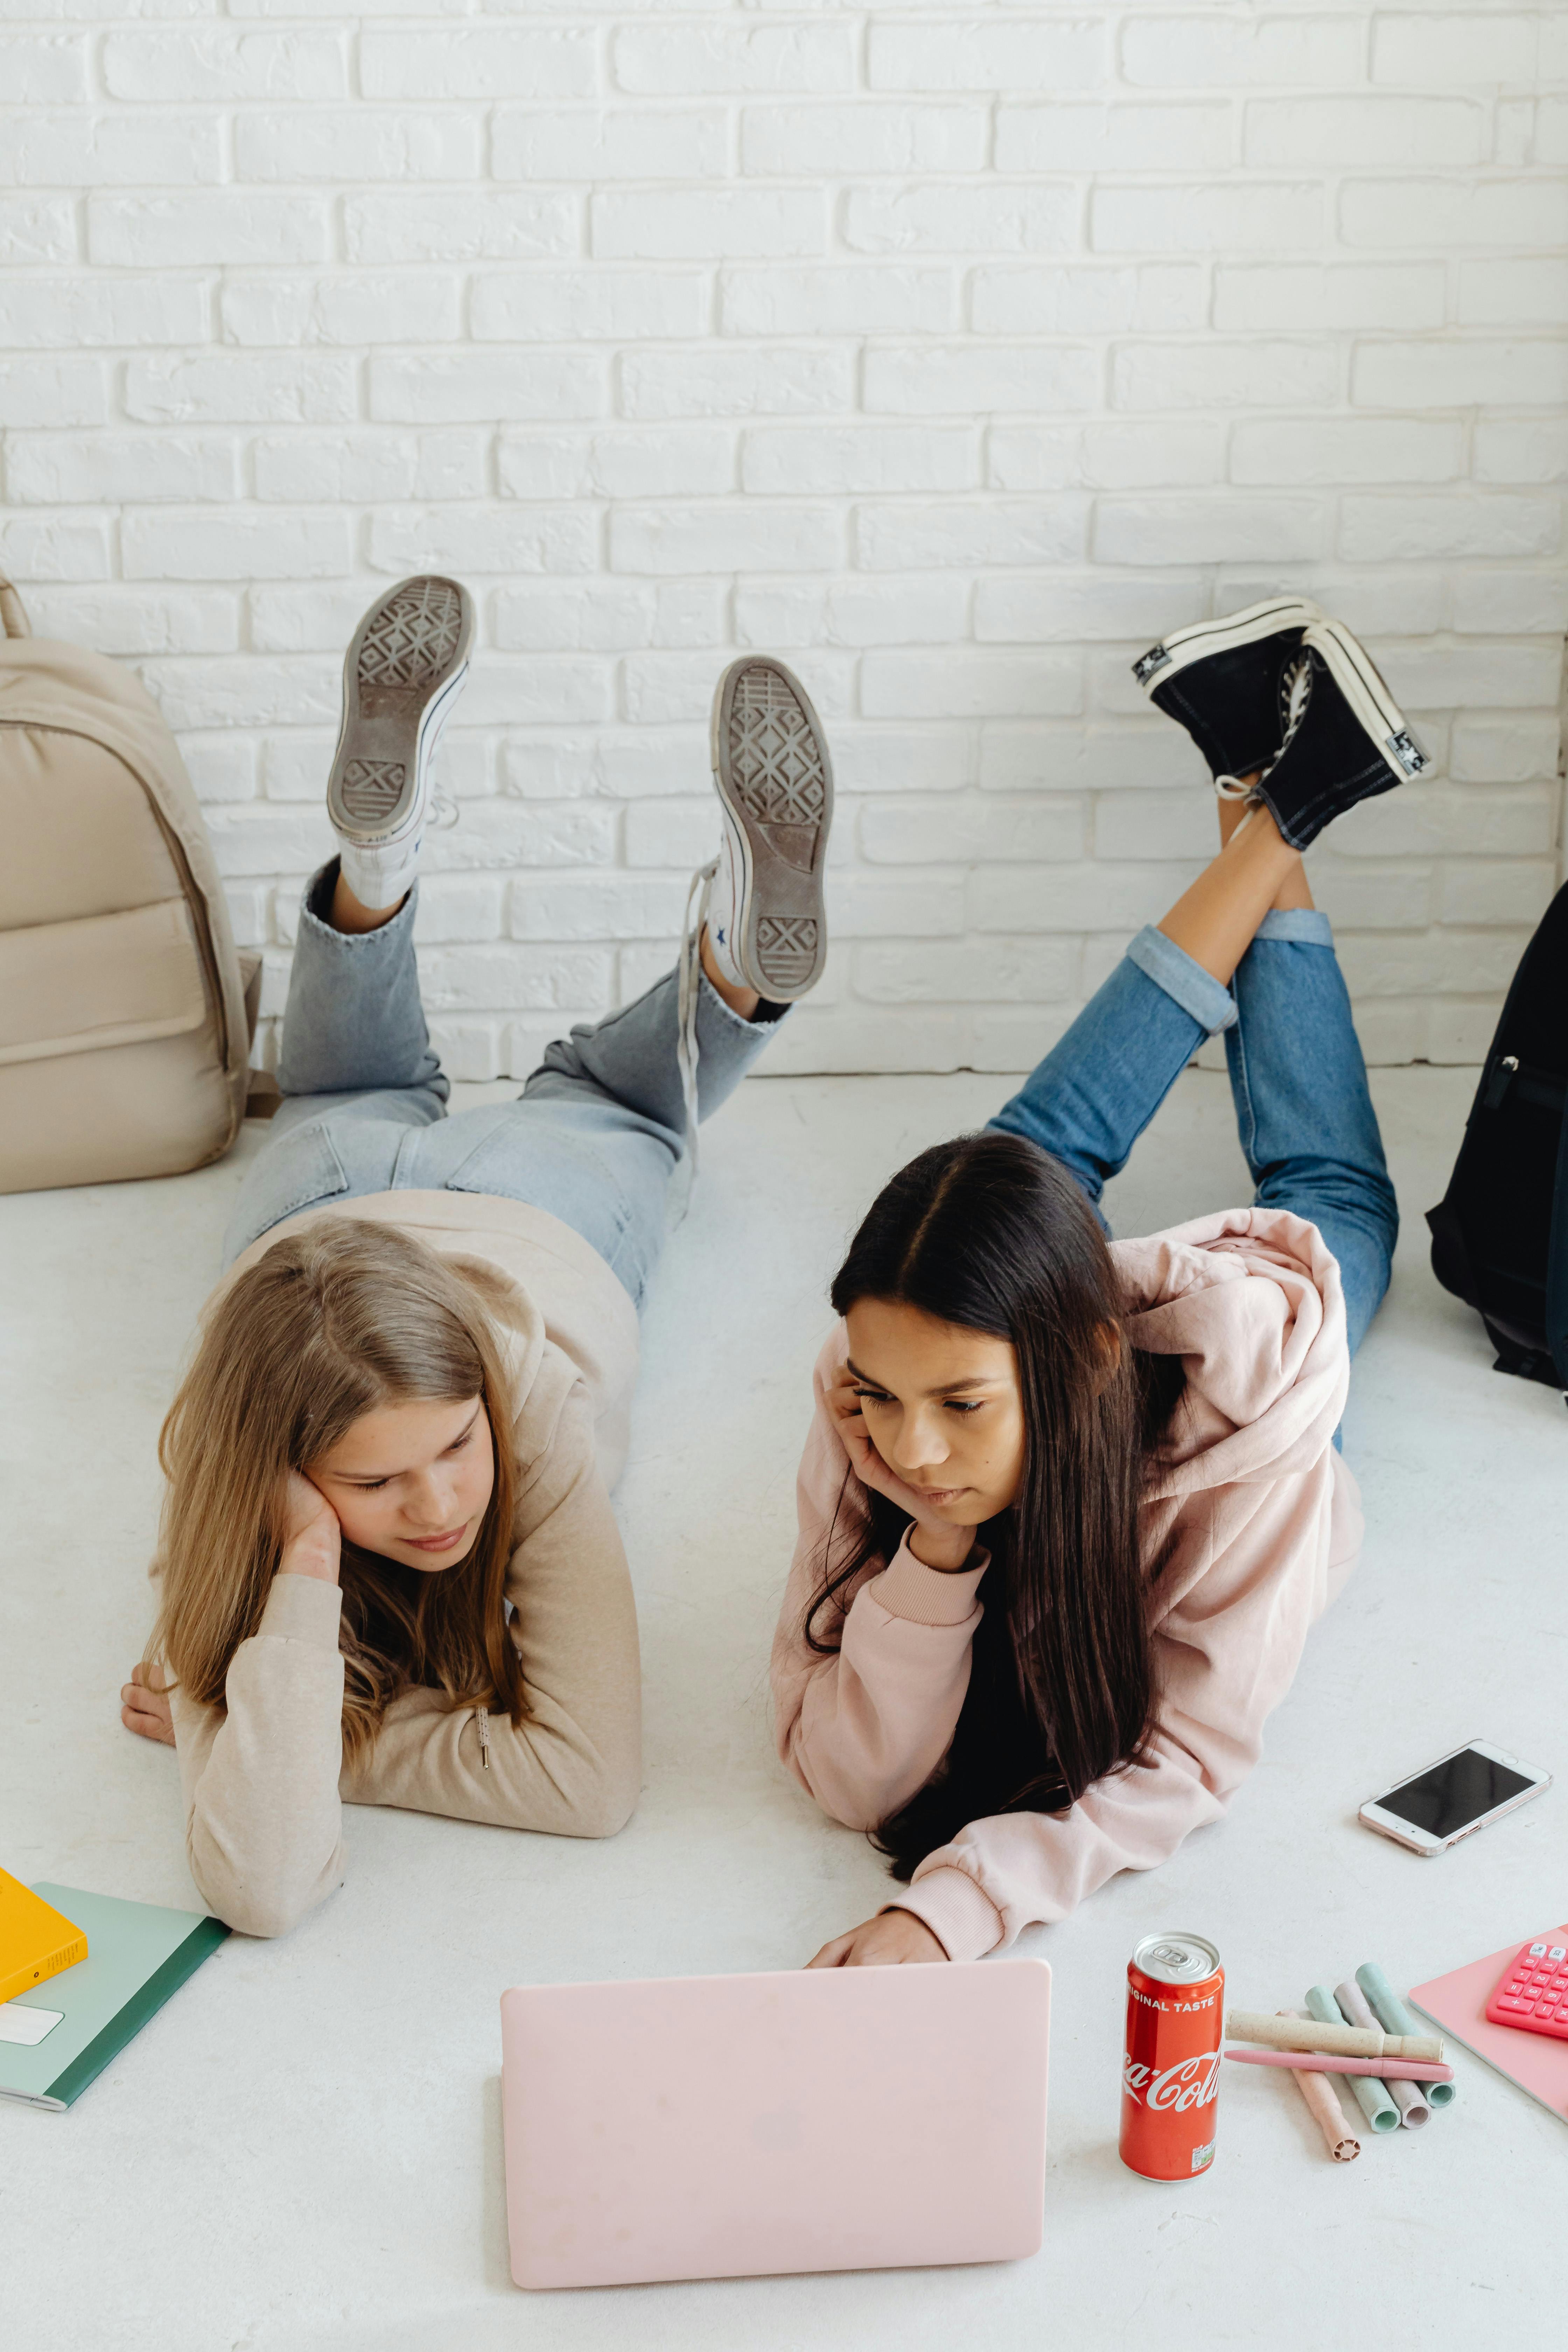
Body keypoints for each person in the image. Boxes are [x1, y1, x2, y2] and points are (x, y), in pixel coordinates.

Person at [121, 575, 834, 1939]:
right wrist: (311, 1572)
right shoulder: (265, 1464)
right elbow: (554, 1789)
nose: (445, 1501)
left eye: (450, 1448)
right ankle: (385, 881)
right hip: (319, 1214)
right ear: (287, 1472)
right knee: (353, 1096)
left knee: (610, 1109)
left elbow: (579, 1781)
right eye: (377, 1483)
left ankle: (742, 974)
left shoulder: (511, 1414)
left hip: (529, 1233)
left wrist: (305, 1707)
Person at [772, 599, 1415, 1969]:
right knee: (1017, 1161)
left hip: (1233, 1388)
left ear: (1070, 1370)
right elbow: (842, 1773)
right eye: (885, 1396)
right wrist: (930, 1557)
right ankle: (1279, 796)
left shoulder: (1243, 1435)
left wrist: (948, 1910)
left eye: (955, 1402)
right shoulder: (866, 1412)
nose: (913, 1451)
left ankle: (1284, 799)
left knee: (1335, 1202)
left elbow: (1181, 1759)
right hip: (1072, 1323)